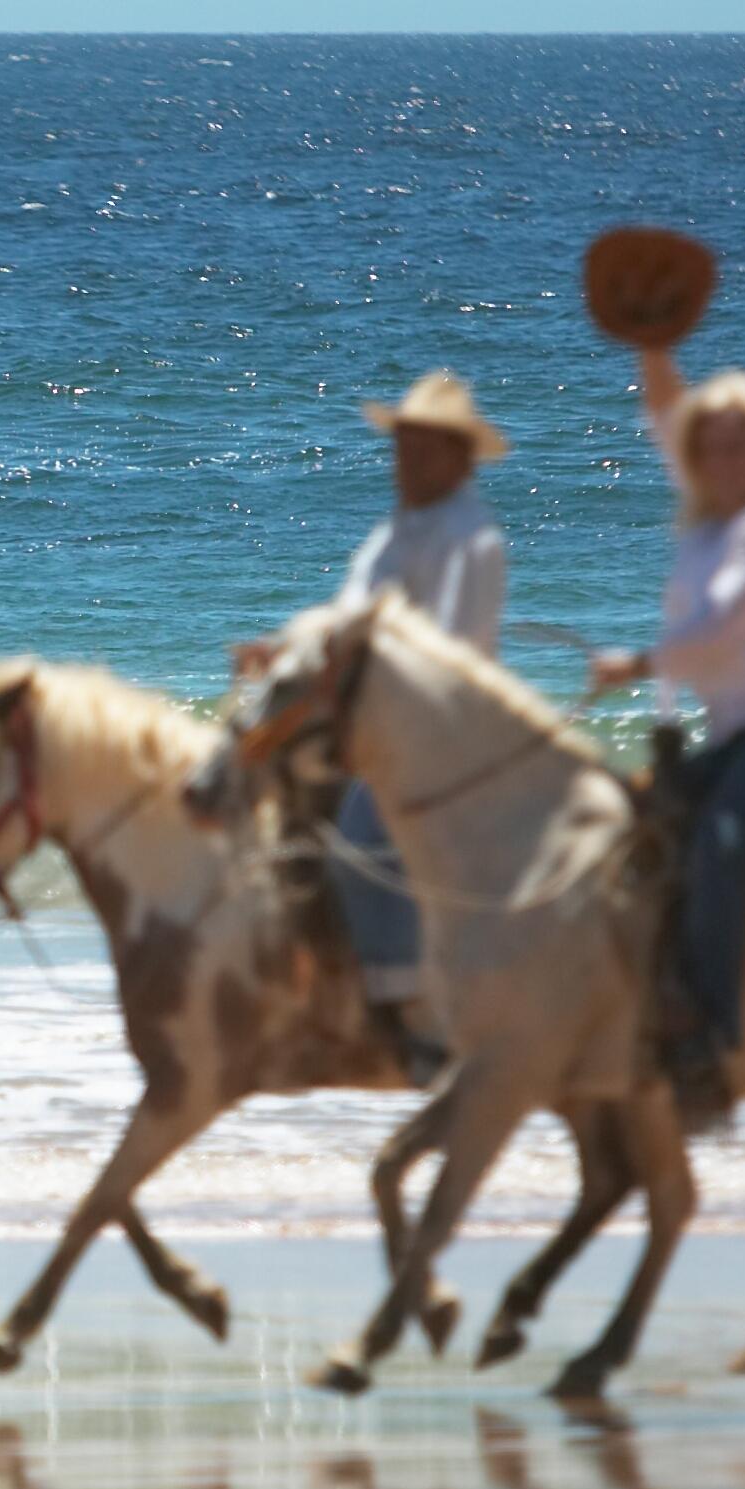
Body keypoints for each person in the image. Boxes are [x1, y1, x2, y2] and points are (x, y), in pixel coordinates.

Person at [587, 353, 745, 1129]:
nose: (725, 460)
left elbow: (720, 622)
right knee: (622, 835)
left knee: (722, 843)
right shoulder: (711, 524)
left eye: (741, 446)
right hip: (727, 737)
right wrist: (652, 347)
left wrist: (640, 664)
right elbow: (669, 420)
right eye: (713, 448)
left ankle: (710, 1036)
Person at [247, 368, 507, 1072]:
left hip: (442, 735)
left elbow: (444, 653)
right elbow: (351, 608)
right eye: (403, 446)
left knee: (361, 851)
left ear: (457, 457)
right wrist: (287, 650)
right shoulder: (404, 528)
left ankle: (416, 1026)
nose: (407, 461)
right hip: (379, 721)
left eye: (422, 448)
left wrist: (354, 679)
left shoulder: (470, 540)